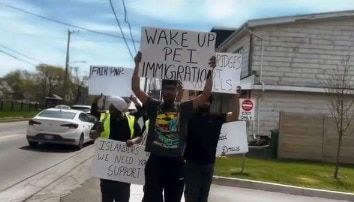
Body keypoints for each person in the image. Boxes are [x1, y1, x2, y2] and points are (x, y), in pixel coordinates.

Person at [132, 51, 216, 202]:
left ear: (177, 91)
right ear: (162, 91)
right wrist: (137, 65)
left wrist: (210, 71)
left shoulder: (184, 108)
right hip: (155, 161)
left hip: (176, 163)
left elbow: (205, 94)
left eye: (172, 89)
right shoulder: (153, 106)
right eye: (166, 89)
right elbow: (136, 89)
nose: (169, 92)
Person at [183, 87, 241, 202]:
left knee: (203, 197)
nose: (205, 102)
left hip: (208, 164)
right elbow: (180, 108)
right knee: (191, 196)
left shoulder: (216, 118)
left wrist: (235, 97)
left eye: (207, 100)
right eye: (202, 100)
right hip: (191, 164)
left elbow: (234, 115)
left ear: (211, 103)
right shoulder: (189, 117)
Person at [90, 96, 142, 202]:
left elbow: (139, 136)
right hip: (106, 169)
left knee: (123, 198)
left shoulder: (131, 120)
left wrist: (133, 141)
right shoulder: (104, 118)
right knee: (107, 198)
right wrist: (96, 132)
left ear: (118, 109)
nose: (109, 108)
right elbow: (92, 135)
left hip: (124, 169)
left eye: (112, 107)